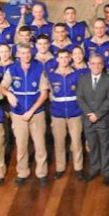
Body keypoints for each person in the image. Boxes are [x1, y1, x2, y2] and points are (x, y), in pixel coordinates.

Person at [2, 43, 50, 186]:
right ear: (18, 54)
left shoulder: (39, 68)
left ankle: (42, 173)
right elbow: (3, 87)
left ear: (31, 53)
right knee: (21, 145)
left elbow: (44, 93)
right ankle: (22, 172)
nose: (26, 55)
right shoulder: (12, 69)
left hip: (36, 113)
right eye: (22, 53)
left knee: (40, 145)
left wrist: (31, 111)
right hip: (17, 114)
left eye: (28, 52)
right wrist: (8, 94)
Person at [76, 54, 109, 185]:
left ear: (103, 65)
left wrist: (98, 115)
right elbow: (80, 98)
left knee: (106, 147)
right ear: (89, 65)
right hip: (88, 120)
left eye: (99, 63)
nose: (96, 66)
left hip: (104, 120)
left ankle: (106, 172)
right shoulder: (83, 79)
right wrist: (89, 113)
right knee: (92, 146)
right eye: (93, 63)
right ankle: (94, 169)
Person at [46, 50, 85, 181]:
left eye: (66, 57)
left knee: (76, 142)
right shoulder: (51, 76)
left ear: (70, 58)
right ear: (57, 59)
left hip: (75, 113)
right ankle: (60, 168)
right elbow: (49, 94)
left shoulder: (77, 74)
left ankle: (78, 168)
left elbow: (81, 94)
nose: (63, 60)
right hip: (58, 114)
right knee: (59, 143)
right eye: (61, 57)